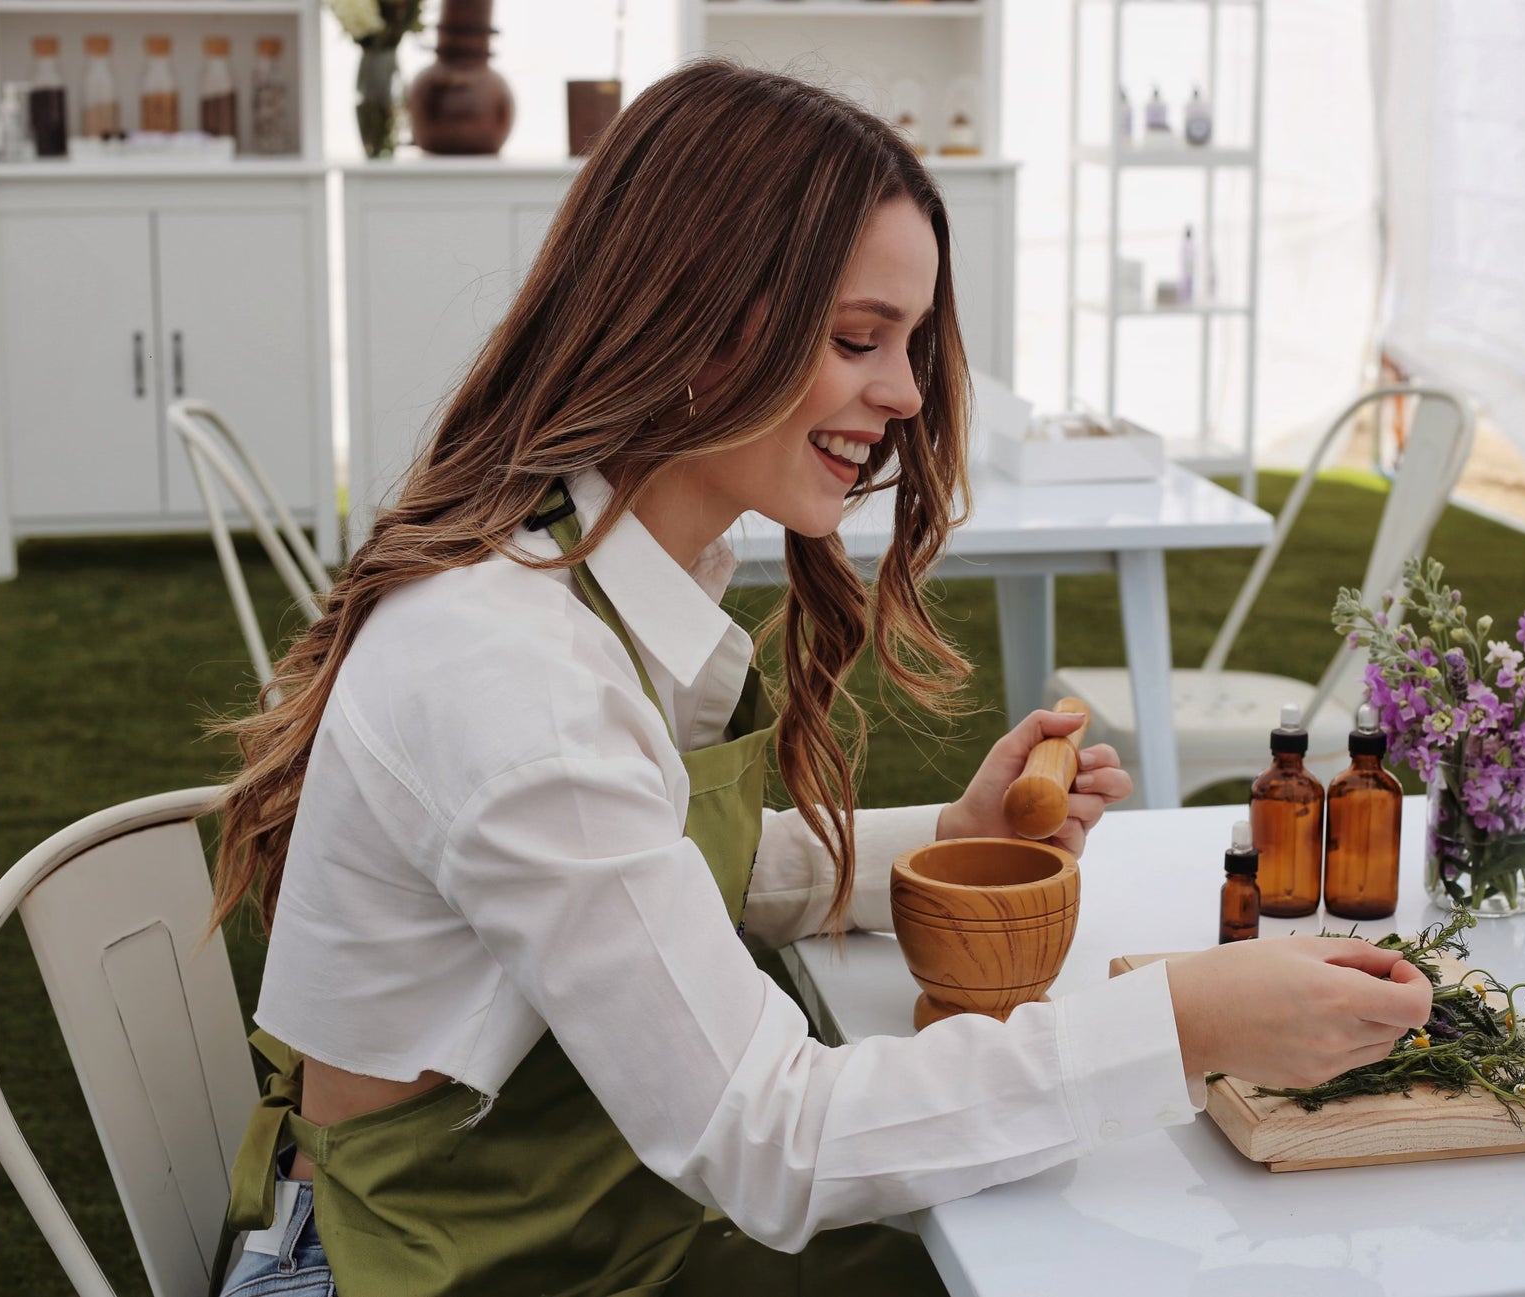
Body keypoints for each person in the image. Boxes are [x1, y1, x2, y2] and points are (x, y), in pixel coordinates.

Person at [206, 60, 1433, 1297]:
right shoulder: (512, 670)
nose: (902, 394)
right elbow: (769, 1138)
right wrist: (1189, 1023)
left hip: (603, 1228)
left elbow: (652, 866)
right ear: (693, 312)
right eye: (859, 338)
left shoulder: (610, 563)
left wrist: (945, 841)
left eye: (905, 342)